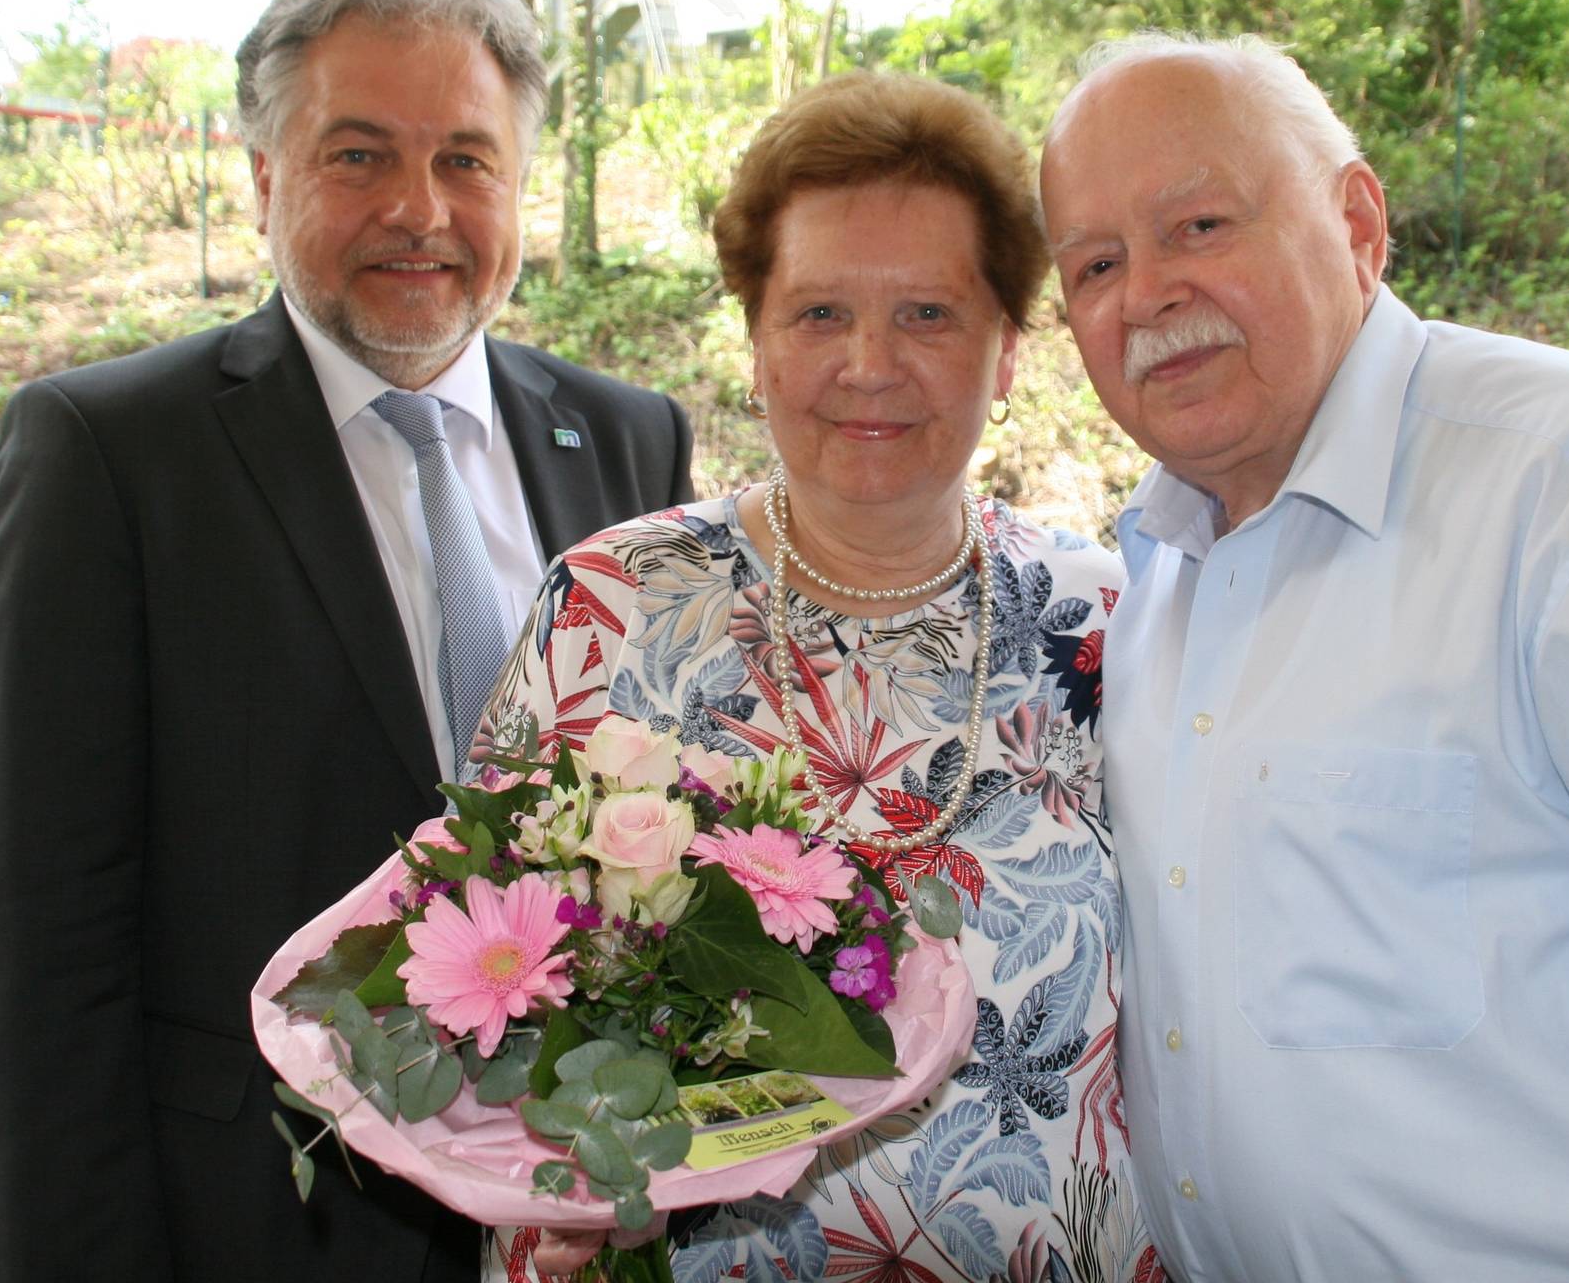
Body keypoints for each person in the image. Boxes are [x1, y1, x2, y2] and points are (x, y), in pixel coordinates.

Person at [1038, 32, 1569, 1283]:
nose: (1146, 292)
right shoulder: (1158, 570)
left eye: (1201, 224)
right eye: (1095, 263)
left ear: (1359, 222)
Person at [0, 0, 692, 1283]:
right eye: (358, 157)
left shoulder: (623, 441)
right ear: (264, 179)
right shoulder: (109, 458)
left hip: (582, 1220)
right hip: (254, 1221)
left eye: (468, 162)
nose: (419, 212)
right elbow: (38, 940)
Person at [485, 70, 1164, 1283]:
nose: (867, 365)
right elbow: (481, 968)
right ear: (753, 342)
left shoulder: (1115, 623)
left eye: (926, 315)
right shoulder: (608, 607)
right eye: (816, 314)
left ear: (1006, 352)